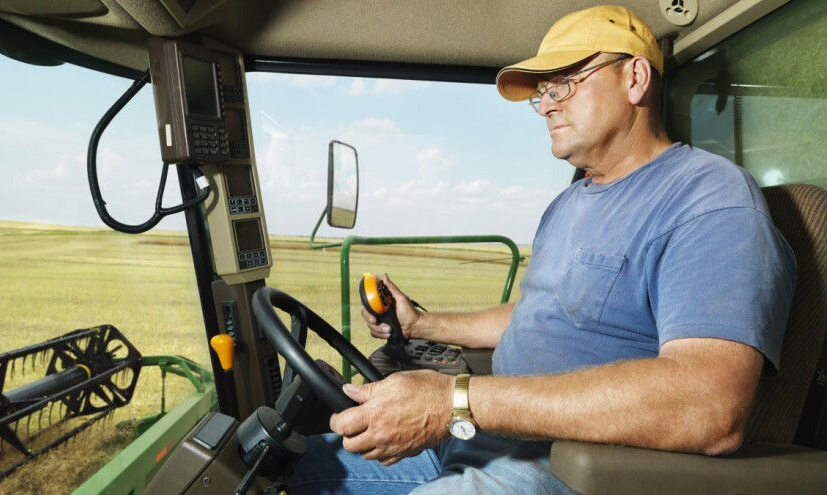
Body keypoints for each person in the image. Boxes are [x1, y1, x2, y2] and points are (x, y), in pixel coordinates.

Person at [285, 5, 797, 494]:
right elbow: (539, 313)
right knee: (273, 466)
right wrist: (422, 323)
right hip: (484, 441)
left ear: (635, 79)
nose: (547, 103)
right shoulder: (569, 203)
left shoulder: (708, 199)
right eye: (542, 92)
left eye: (564, 84)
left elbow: (709, 405)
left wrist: (454, 401)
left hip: (576, 470)